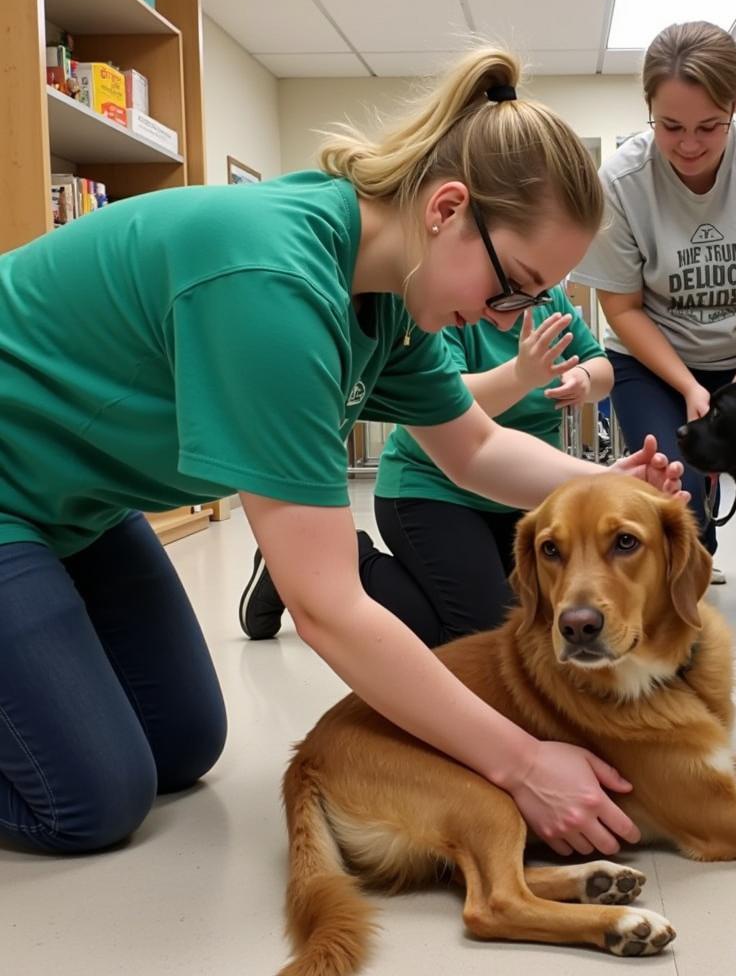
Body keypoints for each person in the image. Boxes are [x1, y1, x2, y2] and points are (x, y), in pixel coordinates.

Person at [0, 47, 683, 857]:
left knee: (182, 744)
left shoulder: (391, 292)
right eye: (514, 286)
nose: (510, 318)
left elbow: (474, 449)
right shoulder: (273, 288)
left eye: (535, 299)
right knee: (92, 804)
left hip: (78, 502)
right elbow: (327, 608)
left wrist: (610, 484)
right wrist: (522, 762)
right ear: (447, 210)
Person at [570, 20, 736, 622]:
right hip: (651, 358)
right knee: (674, 482)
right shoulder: (619, 180)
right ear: (648, 111)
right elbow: (622, 306)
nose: (688, 144)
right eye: (670, 127)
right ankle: (679, 581)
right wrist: (693, 388)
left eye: (708, 127)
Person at [240, 287, 613, 646]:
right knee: (479, 637)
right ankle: (313, 561)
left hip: (519, 496)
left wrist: (583, 379)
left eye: (540, 284)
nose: (533, 292)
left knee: (533, 625)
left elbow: (602, 369)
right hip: (433, 490)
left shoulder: (551, 300)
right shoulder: (461, 308)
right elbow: (451, 403)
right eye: (521, 280)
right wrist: (520, 375)